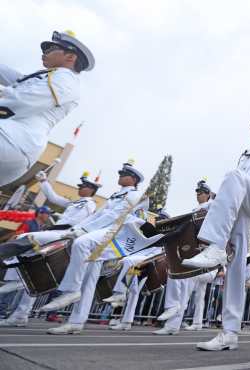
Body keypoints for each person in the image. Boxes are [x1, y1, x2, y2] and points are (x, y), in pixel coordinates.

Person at [181, 109, 250, 351]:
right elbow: (235, 187)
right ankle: (229, 332)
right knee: (235, 263)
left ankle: (215, 245)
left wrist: (225, 194)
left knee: (233, 176)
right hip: (241, 205)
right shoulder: (245, 154)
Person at [39, 161, 153, 334]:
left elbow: (115, 216)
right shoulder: (116, 195)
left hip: (117, 233)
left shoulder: (137, 195)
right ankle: (76, 322)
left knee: (82, 243)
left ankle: (71, 290)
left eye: (124, 174)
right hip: (104, 232)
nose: (120, 175)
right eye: (120, 173)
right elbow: (99, 214)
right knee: (89, 278)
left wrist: (83, 231)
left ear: (134, 179)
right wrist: (76, 229)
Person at [0, 173, 100, 326]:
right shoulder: (74, 203)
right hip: (54, 232)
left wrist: (62, 219)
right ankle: (21, 314)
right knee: (32, 273)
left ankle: (14, 278)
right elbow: (53, 197)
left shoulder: (89, 203)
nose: (79, 188)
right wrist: (43, 181)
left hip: (64, 234)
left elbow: (78, 221)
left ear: (91, 189)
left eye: (83, 186)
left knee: (26, 238)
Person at [0, 30, 94, 187]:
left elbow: (22, 100)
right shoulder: (49, 76)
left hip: (15, 140)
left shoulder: (66, 79)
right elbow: (15, 79)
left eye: (50, 49)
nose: (44, 53)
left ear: (70, 57)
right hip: (14, 141)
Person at [154, 179, 217, 334]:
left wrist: (214, 197)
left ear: (208, 194)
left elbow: (220, 206)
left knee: (182, 281)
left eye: (201, 193)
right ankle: (195, 323)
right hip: (196, 254)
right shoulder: (195, 209)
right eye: (197, 193)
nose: (198, 195)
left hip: (205, 257)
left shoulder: (211, 206)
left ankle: (173, 324)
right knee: (197, 295)